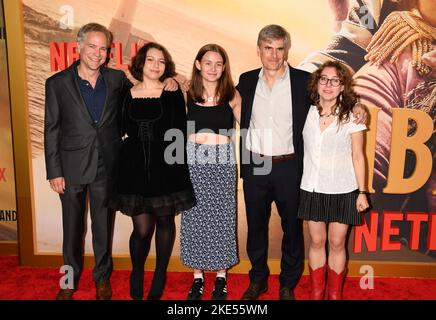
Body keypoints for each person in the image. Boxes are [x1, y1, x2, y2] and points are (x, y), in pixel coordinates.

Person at [237, 24, 367, 301]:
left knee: (292, 230)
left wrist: (358, 105)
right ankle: (258, 279)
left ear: (287, 50)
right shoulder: (246, 81)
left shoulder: (302, 81)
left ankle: (288, 283)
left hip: (289, 167)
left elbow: (332, 97)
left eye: (279, 48)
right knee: (256, 228)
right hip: (256, 166)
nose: (273, 55)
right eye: (268, 48)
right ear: (259, 49)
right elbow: (219, 97)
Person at [44, 23, 131, 300]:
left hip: (107, 165)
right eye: (92, 46)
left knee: (102, 228)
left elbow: (144, 92)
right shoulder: (56, 83)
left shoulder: (117, 80)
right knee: (72, 230)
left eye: (103, 48)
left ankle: (102, 279)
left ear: (108, 51)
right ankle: (68, 281)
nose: (97, 53)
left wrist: (170, 81)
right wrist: (54, 171)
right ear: (79, 46)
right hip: (70, 169)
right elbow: (52, 129)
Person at [108, 42, 196, 300]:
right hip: (134, 169)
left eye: (161, 61)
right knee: (143, 230)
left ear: (166, 67)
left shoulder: (171, 92)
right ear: (141, 64)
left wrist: (176, 80)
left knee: (166, 222)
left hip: (166, 168)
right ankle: (137, 272)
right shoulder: (126, 92)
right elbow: (119, 127)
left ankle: (159, 274)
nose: (156, 65)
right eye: (150, 60)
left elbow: (179, 132)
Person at [297, 60, 369, 300]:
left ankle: (335, 295)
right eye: (324, 79)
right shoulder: (305, 111)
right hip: (312, 186)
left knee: (337, 243)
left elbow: (358, 156)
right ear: (317, 83)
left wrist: (362, 191)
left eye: (335, 80)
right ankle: (317, 294)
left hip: (343, 188)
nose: (328, 84)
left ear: (342, 86)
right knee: (317, 242)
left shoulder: (352, 116)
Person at [180, 44, 241, 300]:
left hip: (223, 162)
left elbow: (251, 126)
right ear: (198, 64)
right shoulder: (186, 93)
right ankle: (197, 278)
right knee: (194, 218)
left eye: (218, 64)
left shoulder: (233, 96)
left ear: (224, 67)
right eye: (208, 63)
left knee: (222, 218)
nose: (213, 69)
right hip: (194, 162)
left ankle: (220, 277)